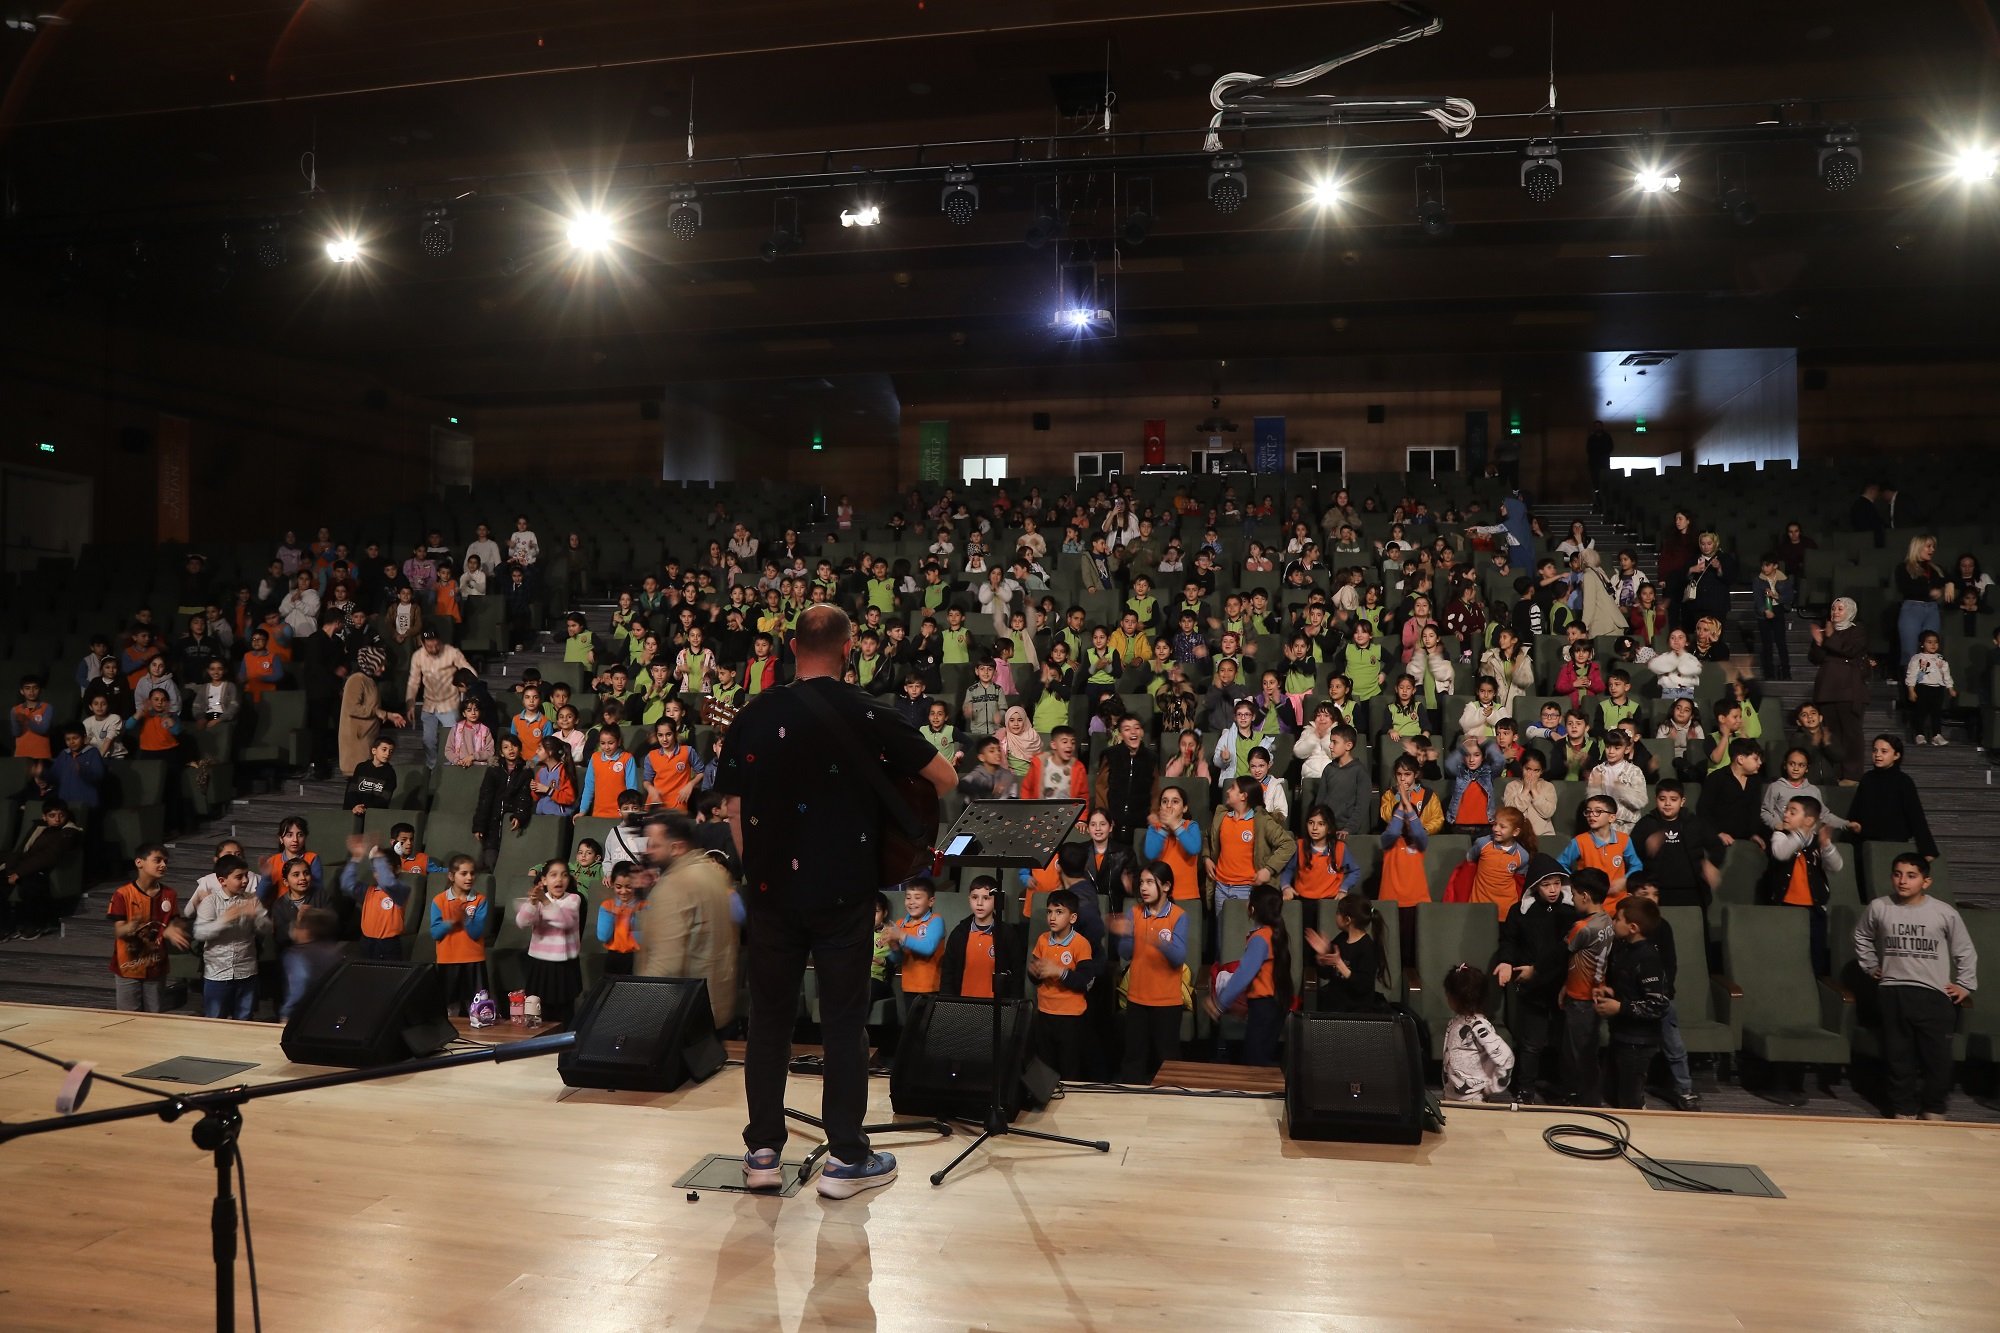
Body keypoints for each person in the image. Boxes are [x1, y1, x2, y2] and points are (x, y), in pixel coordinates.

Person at [716, 605, 955, 1200]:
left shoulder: (753, 715)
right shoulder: (872, 712)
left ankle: (763, 1153)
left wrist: (759, 873)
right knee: (844, 1023)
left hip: (772, 895)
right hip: (845, 893)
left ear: (793, 648)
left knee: (769, 1021)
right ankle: (847, 1159)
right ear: (850, 649)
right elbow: (945, 778)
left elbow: (733, 809)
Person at [1853, 854, 1979, 1121]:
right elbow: (1862, 935)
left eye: (1911, 875)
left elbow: (1965, 951)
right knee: (1899, 1058)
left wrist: (1965, 984)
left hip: (1933, 995)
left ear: (1926, 881)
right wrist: (1870, 965)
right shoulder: (1879, 907)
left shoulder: (1944, 912)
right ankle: (1904, 1110)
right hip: (1893, 991)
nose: (1903, 880)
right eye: (1898, 874)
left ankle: (1933, 1108)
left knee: (1938, 1060)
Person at [635, 813, 739, 1019]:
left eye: (655, 845)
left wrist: (645, 1014)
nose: (648, 851)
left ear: (677, 847)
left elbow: (666, 965)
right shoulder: (716, 874)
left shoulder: (674, 886)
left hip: (682, 1011)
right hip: (717, 1003)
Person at [1109, 862, 1189, 1080]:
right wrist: (1125, 935)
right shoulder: (1133, 912)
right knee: (1134, 1058)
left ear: (1165, 886)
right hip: (1138, 999)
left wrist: (1151, 938)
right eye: (1142, 882)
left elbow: (1178, 957)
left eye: (1150, 882)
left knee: (1167, 1059)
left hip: (1167, 1002)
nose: (1143, 887)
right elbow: (1125, 953)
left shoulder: (1178, 916)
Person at [1628, 875, 1701, 1111]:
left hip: (1660, 996)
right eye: (1644, 894)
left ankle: (1684, 1089)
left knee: (1674, 1042)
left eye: (1655, 894)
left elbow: (1670, 964)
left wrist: (1664, 994)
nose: (1652, 899)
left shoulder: (1663, 926)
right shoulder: (1623, 926)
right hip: (1631, 998)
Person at [1594, 895, 1671, 1110]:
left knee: (1631, 1100)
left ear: (1633, 927)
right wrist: (1610, 991)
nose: (1613, 922)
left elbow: (1658, 1005)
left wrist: (1620, 1007)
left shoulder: (1648, 958)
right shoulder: (1623, 949)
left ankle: (1638, 1136)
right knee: (1611, 1093)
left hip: (1639, 1043)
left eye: (1618, 919)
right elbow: (1629, 986)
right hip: (1621, 1035)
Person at [1204, 883, 1293, 1066]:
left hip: (1264, 1007)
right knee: (1262, 1057)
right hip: (1275, 1004)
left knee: (1255, 1062)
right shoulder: (1275, 933)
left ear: (1253, 908)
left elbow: (1243, 974)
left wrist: (1220, 1003)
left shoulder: (1260, 938)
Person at [1764, 796, 1845, 975]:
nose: (1785, 815)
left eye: (1792, 812)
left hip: (1813, 910)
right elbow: (1781, 853)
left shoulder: (1819, 842)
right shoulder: (1780, 835)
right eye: (1786, 810)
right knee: (1787, 955)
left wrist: (1826, 845)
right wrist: (1802, 833)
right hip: (1785, 907)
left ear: (1808, 819)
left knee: (1815, 957)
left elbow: (1836, 866)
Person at [107, 844, 189, 1012]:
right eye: (157, 860)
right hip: (128, 967)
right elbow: (118, 930)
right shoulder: (123, 894)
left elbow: (175, 920)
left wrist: (174, 929)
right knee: (128, 1019)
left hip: (156, 966)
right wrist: (129, 927)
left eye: (165, 861)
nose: (163, 865)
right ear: (139, 862)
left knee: (155, 1017)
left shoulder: (170, 894)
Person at [1030, 887, 1100, 1078]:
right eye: (1049, 912)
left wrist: (1059, 972)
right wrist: (1033, 972)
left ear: (1073, 918)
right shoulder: (1043, 940)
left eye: (1059, 912)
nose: (1052, 917)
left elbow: (1085, 981)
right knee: (1045, 1065)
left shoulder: (1080, 943)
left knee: (1069, 1066)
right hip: (1045, 1012)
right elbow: (1036, 977)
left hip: (1070, 1017)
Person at [192, 853, 270, 1019]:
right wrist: (224, 920)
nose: (245, 881)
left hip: (246, 972)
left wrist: (257, 917)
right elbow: (199, 932)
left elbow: (267, 929)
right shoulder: (211, 902)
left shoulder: (252, 900)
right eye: (238, 877)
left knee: (245, 1020)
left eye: (246, 876)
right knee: (215, 1021)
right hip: (217, 975)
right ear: (222, 880)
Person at [1845, 734, 1939, 867]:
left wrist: (1927, 850)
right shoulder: (1867, 778)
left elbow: (1916, 817)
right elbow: (1856, 809)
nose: (1877, 755)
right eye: (1875, 750)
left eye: (1884, 751)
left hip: (1893, 845)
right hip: (1864, 843)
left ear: (1896, 755)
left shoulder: (1904, 782)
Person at [514, 859, 584, 1024]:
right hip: (540, 964)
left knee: (564, 1013)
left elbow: (564, 921)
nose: (559, 879)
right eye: (553, 875)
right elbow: (522, 922)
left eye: (564, 875)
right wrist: (532, 902)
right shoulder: (538, 900)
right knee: (539, 1010)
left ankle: (564, 1046)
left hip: (564, 965)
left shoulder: (573, 899)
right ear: (544, 880)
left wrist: (544, 902)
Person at [0, 800, 82, 940]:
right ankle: (6, 927)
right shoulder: (38, 827)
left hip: (45, 870)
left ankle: (35, 924)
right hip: (25, 866)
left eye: (61, 815)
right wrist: (10, 870)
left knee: (31, 883)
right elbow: (21, 851)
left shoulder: (69, 832)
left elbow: (48, 857)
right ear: (44, 817)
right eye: (52, 815)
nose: (57, 819)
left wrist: (18, 873)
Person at [1808, 598, 1871, 783]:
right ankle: (1834, 773)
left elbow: (1850, 650)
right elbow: (1815, 658)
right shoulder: (1826, 632)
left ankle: (1851, 774)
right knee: (1831, 734)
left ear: (1850, 611)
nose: (1835, 611)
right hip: (1827, 689)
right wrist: (1819, 643)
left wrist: (1830, 637)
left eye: (1840, 608)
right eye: (1833, 608)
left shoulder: (1857, 630)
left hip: (1850, 690)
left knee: (1851, 734)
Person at [940, 876, 1026, 1001]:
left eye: (986, 898)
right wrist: (947, 1001)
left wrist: (1013, 1004)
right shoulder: (959, 933)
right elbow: (948, 972)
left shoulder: (1007, 934)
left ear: (996, 900)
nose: (979, 903)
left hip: (996, 1006)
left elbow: (1017, 973)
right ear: (969, 899)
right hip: (963, 1003)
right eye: (975, 897)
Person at [1303, 892, 1388, 1014]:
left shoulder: (1367, 947)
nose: (1335, 915)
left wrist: (1339, 963)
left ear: (1347, 920)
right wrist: (1322, 956)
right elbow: (1326, 974)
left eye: (1338, 912)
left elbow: (1363, 986)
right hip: (1335, 1005)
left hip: (1357, 1010)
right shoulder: (1341, 939)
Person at [428, 854, 491, 1015]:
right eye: (463, 873)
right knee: (450, 1006)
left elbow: (477, 933)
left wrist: (464, 918)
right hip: (448, 960)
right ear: (451, 876)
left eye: (472, 873)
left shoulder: (480, 900)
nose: (469, 877)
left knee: (477, 1006)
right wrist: (450, 922)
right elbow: (435, 933)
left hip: (474, 961)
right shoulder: (439, 900)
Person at [1442, 964, 1514, 1101]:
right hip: (1451, 1095)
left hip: (1474, 1100)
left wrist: (1490, 1088)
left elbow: (1506, 1058)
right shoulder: (1455, 1022)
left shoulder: (1479, 1027)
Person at [405, 629, 473, 769]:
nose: (434, 649)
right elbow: (413, 681)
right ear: (422, 644)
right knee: (428, 740)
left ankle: (450, 769)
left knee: (452, 740)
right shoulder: (417, 656)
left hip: (449, 703)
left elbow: (469, 670)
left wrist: (469, 687)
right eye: (429, 646)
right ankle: (432, 768)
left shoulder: (452, 652)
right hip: (429, 704)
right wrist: (410, 703)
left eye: (436, 645)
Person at [339, 646, 406, 777]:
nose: (383, 668)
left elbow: (373, 707)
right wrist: (381, 713)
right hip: (357, 742)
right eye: (380, 664)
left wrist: (389, 716)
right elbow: (352, 708)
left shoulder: (368, 680)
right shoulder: (356, 680)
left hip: (366, 738)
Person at [341, 835, 410, 961]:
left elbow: (387, 882)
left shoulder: (401, 890)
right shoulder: (368, 891)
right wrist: (355, 858)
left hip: (389, 945)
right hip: (367, 942)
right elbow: (346, 884)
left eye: (384, 868)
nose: (378, 872)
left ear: (398, 869)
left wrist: (378, 858)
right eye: (375, 869)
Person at [882, 878, 945, 1003]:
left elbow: (928, 948)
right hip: (908, 987)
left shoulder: (935, 920)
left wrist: (901, 936)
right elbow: (897, 959)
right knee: (912, 1022)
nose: (911, 902)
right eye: (908, 897)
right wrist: (894, 946)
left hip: (931, 988)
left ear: (931, 901)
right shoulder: (900, 924)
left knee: (927, 1023)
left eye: (917, 897)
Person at [1893, 534, 1947, 666]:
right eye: (1928, 546)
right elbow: (1905, 588)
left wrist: (1949, 583)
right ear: (1918, 547)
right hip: (1912, 609)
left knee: (1930, 652)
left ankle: (1927, 684)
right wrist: (1929, 591)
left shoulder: (1935, 568)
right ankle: (1910, 685)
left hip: (1932, 610)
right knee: (1910, 652)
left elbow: (1951, 579)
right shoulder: (1904, 567)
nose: (1932, 550)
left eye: (1933, 547)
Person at [1904, 628, 1956, 746]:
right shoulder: (1917, 658)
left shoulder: (1941, 659)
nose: (1933, 644)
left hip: (1938, 689)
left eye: (1936, 642)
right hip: (1923, 688)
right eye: (1929, 642)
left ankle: (1936, 735)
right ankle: (1919, 734)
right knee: (1920, 712)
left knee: (1936, 713)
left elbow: (1946, 674)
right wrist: (1911, 690)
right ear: (1922, 644)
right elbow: (1911, 675)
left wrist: (1950, 688)